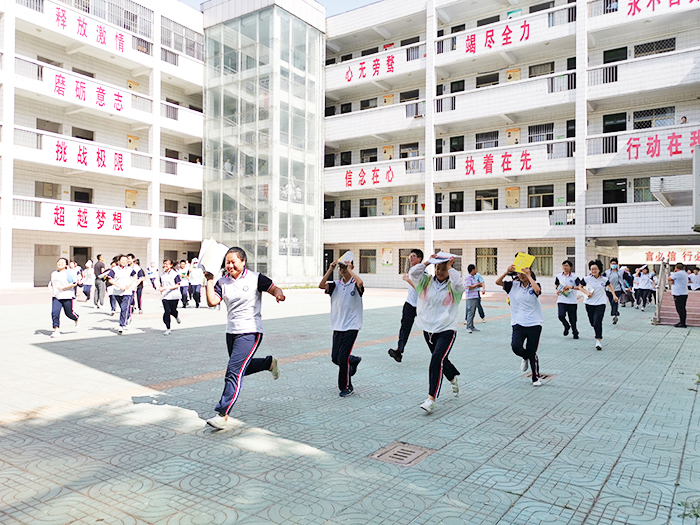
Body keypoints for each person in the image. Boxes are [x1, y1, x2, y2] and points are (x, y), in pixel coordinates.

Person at [203, 247, 284, 430]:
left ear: (243, 261)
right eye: (227, 263)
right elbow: (212, 302)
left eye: (233, 262)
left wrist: (278, 294)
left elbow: (273, 288)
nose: (230, 265)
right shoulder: (222, 282)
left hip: (251, 331)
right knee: (241, 369)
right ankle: (268, 363)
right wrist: (209, 280)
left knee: (233, 371)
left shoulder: (256, 278)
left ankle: (222, 414)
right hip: (231, 331)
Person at [409, 253, 464, 414]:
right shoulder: (425, 282)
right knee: (440, 359)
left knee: (436, 359)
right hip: (428, 329)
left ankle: (431, 399)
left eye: (443, 268)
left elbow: (459, 285)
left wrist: (450, 267)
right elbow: (413, 273)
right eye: (437, 268)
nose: (439, 271)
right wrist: (427, 262)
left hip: (447, 328)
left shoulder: (453, 287)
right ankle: (453, 377)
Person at [319, 251, 364, 397]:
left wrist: (351, 270)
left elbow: (360, 283)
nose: (342, 270)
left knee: (342, 358)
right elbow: (321, 285)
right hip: (338, 325)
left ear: (351, 267)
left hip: (352, 325)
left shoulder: (355, 285)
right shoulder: (336, 285)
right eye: (340, 268)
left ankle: (346, 387)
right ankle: (354, 360)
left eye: (344, 267)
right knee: (335, 358)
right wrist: (330, 269)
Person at [496, 265, 543, 387]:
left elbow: (538, 291)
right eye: (518, 273)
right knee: (516, 347)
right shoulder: (513, 285)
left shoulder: (534, 285)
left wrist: (528, 275)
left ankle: (535, 377)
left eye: (523, 273)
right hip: (518, 323)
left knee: (532, 351)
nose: (520, 275)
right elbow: (497, 282)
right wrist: (506, 271)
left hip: (534, 324)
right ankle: (525, 357)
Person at [388, 249, 423, 363]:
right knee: (404, 327)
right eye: (410, 256)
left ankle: (438, 352)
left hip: (421, 305)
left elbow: (421, 289)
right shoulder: (412, 269)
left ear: (419, 259)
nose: (411, 258)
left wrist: (407, 280)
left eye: (414, 256)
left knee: (429, 330)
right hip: (410, 303)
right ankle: (399, 351)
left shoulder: (422, 272)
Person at [581, 260, 618, 350]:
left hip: (600, 303)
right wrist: (586, 292)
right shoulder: (586, 279)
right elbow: (580, 287)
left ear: (599, 269)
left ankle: (598, 340)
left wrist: (614, 295)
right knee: (592, 322)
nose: (593, 271)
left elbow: (610, 286)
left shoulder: (604, 279)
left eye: (595, 269)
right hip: (589, 303)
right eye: (592, 269)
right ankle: (596, 328)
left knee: (598, 321)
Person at [48, 258, 79, 338]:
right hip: (56, 296)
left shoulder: (68, 273)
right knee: (55, 313)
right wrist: (51, 287)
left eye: (62, 262)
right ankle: (56, 330)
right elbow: (52, 283)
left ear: (66, 265)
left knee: (68, 313)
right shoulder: (54, 273)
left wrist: (63, 287)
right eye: (58, 262)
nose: (60, 264)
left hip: (66, 296)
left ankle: (76, 318)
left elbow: (74, 283)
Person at [107, 254, 137, 335]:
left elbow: (134, 276)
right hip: (117, 291)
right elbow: (110, 280)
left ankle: (121, 325)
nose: (124, 262)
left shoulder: (130, 269)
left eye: (126, 261)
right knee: (122, 307)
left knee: (124, 308)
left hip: (127, 292)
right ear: (119, 261)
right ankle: (128, 317)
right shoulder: (114, 269)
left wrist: (130, 284)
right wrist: (119, 286)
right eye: (122, 261)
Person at [554, 260, 580, 339]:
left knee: (573, 318)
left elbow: (579, 287)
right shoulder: (558, 276)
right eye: (563, 266)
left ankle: (575, 332)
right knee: (561, 315)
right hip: (561, 300)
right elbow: (556, 285)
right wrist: (557, 290)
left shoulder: (575, 277)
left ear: (570, 267)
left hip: (572, 301)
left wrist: (571, 287)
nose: (564, 267)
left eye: (566, 266)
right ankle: (566, 325)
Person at [159, 259, 182, 335]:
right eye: (164, 264)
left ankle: (176, 316)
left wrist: (166, 288)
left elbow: (178, 284)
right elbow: (161, 284)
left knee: (173, 310)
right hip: (165, 296)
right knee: (167, 311)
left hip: (174, 295)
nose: (165, 265)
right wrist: (161, 289)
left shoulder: (175, 274)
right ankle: (168, 328)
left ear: (171, 265)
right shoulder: (162, 275)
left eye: (167, 264)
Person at [603, 258, 625, 324]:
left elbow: (628, 278)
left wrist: (629, 286)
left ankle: (613, 315)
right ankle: (616, 312)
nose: (613, 265)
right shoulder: (607, 272)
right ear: (610, 264)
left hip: (617, 289)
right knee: (611, 302)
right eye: (612, 264)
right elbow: (602, 278)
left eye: (615, 264)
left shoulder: (621, 272)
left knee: (614, 301)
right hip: (608, 290)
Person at [667, 262, 689, 328]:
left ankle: (682, 323)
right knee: (682, 308)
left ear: (676, 268)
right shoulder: (684, 273)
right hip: (683, 293)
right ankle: (682, 321)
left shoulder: (678, 273)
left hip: (679, 293)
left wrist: (674, 272)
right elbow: (673, 280)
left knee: (680, 309)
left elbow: (669, 278)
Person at [464, 264, 482, 333]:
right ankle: (468, 327)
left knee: (473, 311)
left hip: (474, 296)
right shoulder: (468, 277)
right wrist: (477, 285)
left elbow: (474, 286)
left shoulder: (473, 277)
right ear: (472, 270)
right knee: (470, 312)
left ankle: (472, 326)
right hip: (470, 297)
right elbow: (469, 287)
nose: (476, 270)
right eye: (475, 269)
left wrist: (478, 285)